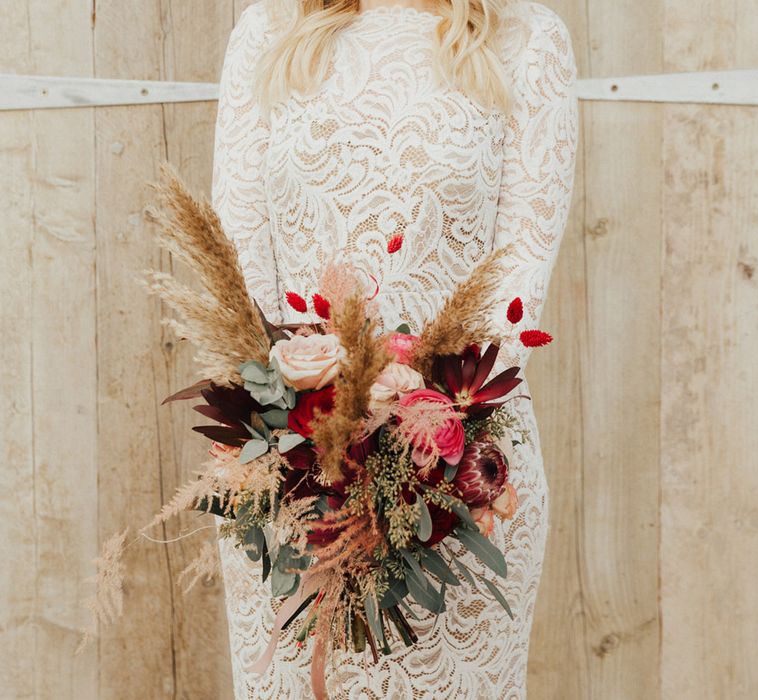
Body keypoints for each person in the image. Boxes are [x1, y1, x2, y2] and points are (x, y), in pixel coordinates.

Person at [210, 1, 578, 697]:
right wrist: (314, 429)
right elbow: (242, 266)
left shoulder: (527, 39)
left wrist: (407, 428)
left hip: (461, 474)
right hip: (295, 474)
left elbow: (516, 282)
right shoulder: (267, 32)